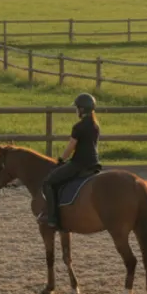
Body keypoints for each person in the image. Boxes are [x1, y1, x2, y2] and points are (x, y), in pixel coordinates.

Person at [42, 93, 102, 231]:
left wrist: (61, 159)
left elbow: (71, 146)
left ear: (81, 109)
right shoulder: (95, 125)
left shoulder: (79, 127)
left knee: (48, 183)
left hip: (79, 163)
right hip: (94, 163)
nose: (76, 111)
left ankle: (52, 219)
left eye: (77, 108)